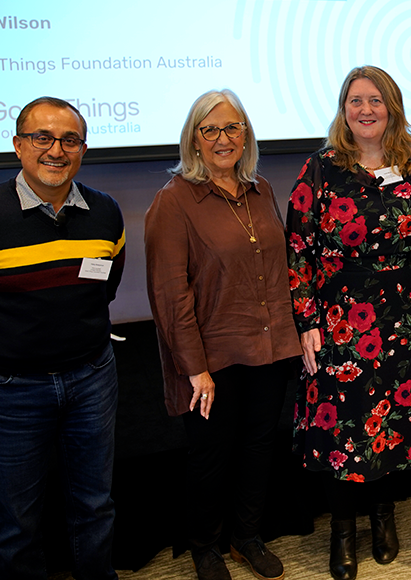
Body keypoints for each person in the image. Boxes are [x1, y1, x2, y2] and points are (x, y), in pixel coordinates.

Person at [0, 96, 125, 579]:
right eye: (42, 138)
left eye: (69, 140)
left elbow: (106, 287)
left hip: (92, 378)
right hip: (8, 388)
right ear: (17, 146)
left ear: (83, 149)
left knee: (95, 506)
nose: (56, 150)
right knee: (16, 523)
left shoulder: (106, 212)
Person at [287, 65, 411, 580]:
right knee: (345, 429)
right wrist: (307, 320)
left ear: (392, 108)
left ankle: (384, 514)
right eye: (356, 100)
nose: (366, 109)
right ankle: (344, 529)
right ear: (343, 108)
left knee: (393, 422)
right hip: (340, 322)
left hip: (405, 320)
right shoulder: (321, 169)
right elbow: (298, 250)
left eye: (376, 100)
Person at [145, 89, 301, 580]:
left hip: (270, 348)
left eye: (232, 127)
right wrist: (196, 370)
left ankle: (247, 536)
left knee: (259, 445)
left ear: (246, 134)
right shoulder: (174, 201)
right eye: (209, 129)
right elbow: (172, 297)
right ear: (193, 139)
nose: (222, 138)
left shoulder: (261, 190)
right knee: (211, 454)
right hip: (212, 359)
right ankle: (205, 546)